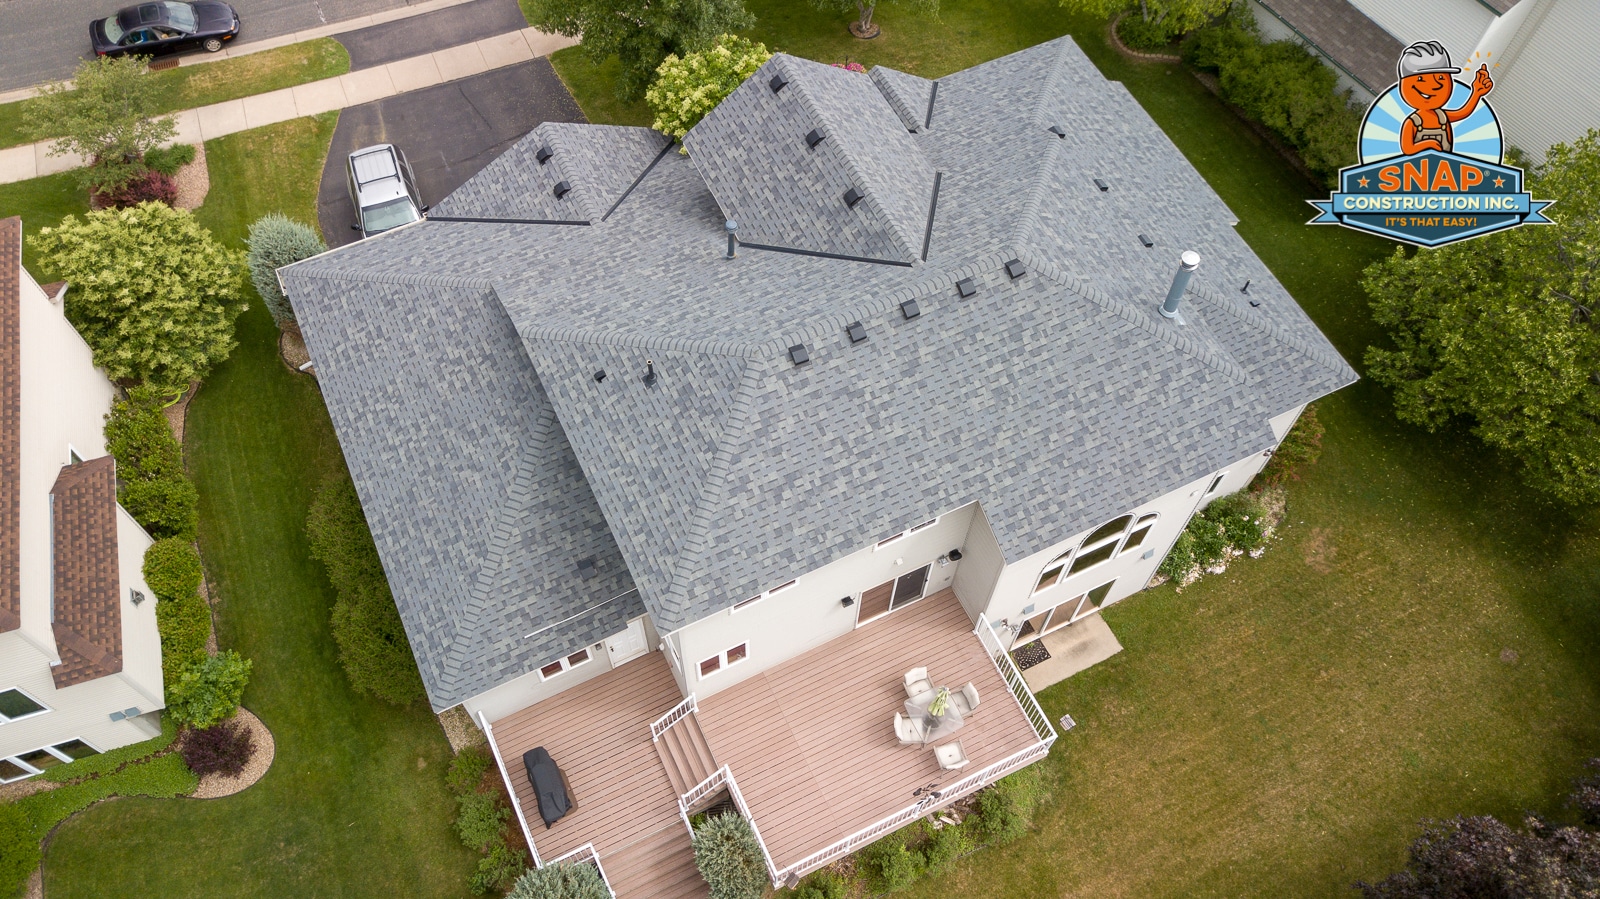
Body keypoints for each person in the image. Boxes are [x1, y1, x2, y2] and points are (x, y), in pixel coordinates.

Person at [1396, 41, 1493, 155]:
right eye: (1421, 79)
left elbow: (1463, 112)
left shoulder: (1442, 117)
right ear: (1404, 85)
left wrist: (1477, 92)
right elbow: (1408, 149)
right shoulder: (1412, 122)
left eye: (1441, 77)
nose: (1436, 85)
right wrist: (1428, 144)